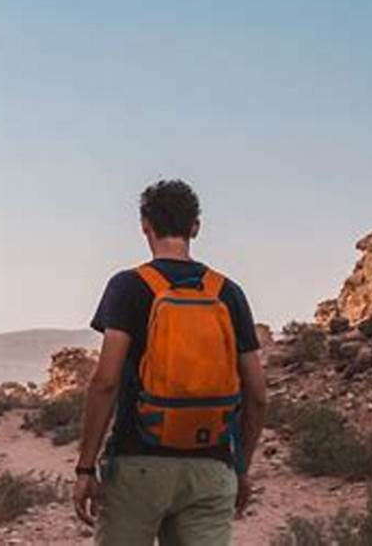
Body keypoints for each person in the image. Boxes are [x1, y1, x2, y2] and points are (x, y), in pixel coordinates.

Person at [73, 179, 268, 545]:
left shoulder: (128, 286)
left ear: (145, 225)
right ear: (196, 226)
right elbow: (257, 395)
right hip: (211, 467)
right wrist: (240, 468)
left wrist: (85, 467)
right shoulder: (228, 292)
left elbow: (105, 383)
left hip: (137, 464)